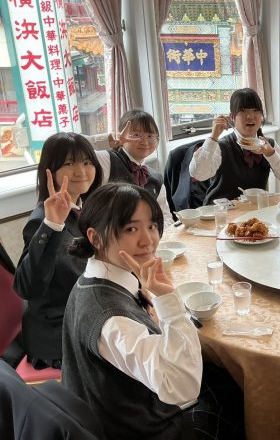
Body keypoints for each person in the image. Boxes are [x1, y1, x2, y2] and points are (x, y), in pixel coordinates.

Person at [62, 183, 244, 440]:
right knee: (238, 393)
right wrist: (168, 299)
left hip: (118, 407)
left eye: (151, 226)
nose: (148, 240)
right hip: (144, 428)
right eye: (130, 229)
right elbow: (181, 388)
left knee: (218, 371)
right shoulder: (112, 318)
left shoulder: (97, 279)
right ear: (95, 238)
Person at [13, 132, 102, 369]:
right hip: (59, 332)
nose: (81, 171)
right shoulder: (43, 220)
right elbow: (27, 287)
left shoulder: (86, 208)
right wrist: (52, 225)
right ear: (50, 171)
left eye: (87, 162)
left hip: (87, 311)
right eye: (69, 163)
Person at [189, 88, 280, 204]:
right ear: (232, 117)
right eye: (243, 111)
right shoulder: (221, 146)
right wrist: (213, 137)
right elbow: (198, 174)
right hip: (221, 211)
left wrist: (271, 154)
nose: (250, 116)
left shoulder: (269, 145)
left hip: (254, 211)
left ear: (262, 116)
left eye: (256, 110)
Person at [95, 109, 173, 223]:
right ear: (122, 135)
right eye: (136, 135)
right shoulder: (106, 159)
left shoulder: (156, 178)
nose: (144, 142)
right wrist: (110, 139)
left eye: (150, 135)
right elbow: (77, 147)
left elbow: (165, 216)